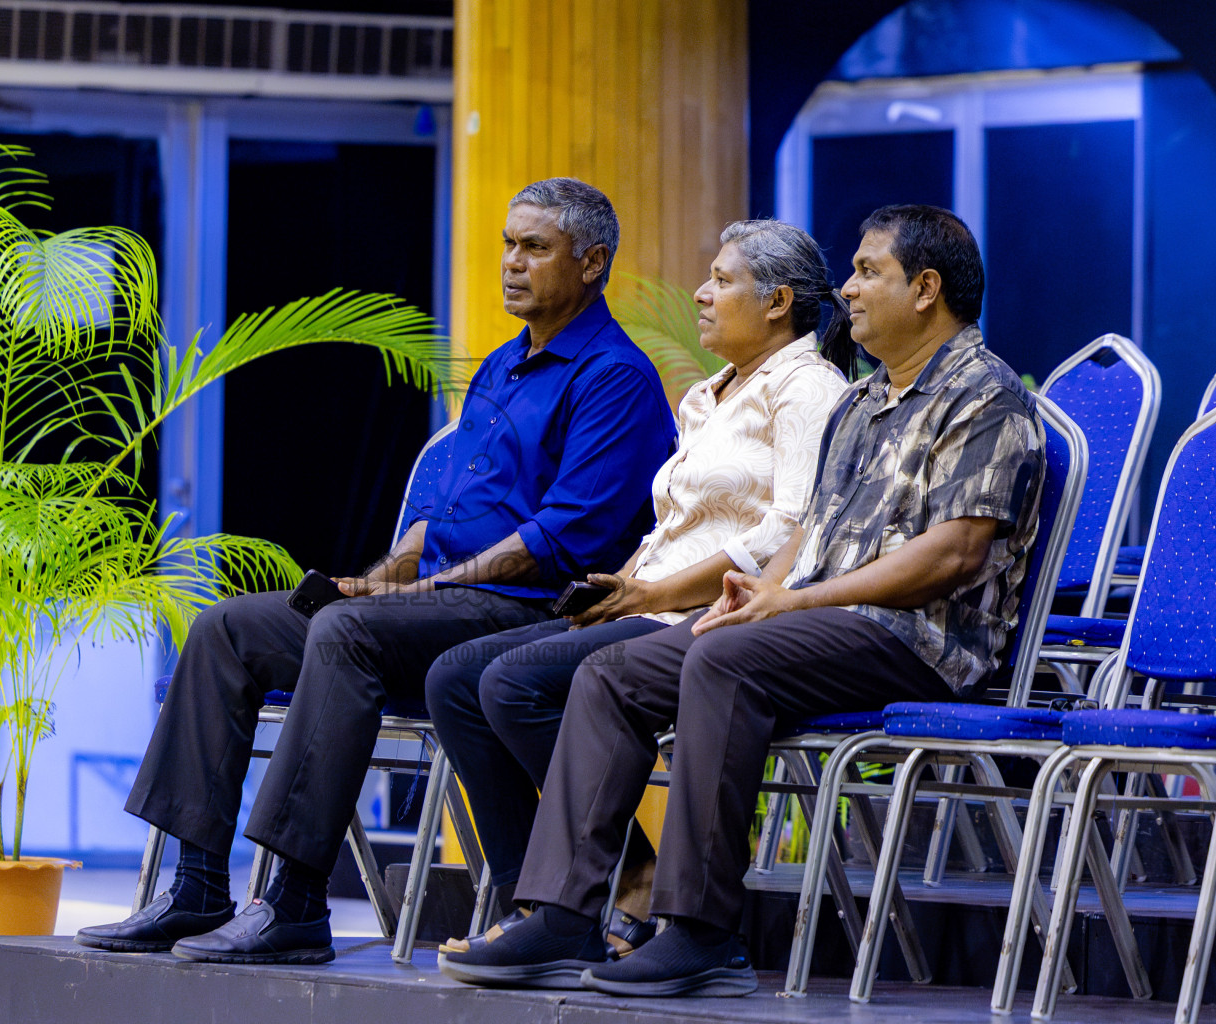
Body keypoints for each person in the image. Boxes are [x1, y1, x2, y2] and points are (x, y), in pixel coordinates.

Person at [439, 204, 1045, 996]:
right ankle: (561, 915)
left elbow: (955, 553)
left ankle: (699, 931)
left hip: (921, 641)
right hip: (823, 622)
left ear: (925, 288)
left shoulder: (985, 394)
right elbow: (811, 528)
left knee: (724, 660)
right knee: (614, 673)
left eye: (868, 272)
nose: (848, 289)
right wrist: (765, 589)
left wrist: (794, 603)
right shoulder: (865, 403)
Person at [74, 177, 675, 965]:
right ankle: (195, 887)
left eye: (535, 247)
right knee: (228, 628)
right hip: (431, 609)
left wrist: (418, 591)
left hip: (524, 615)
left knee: (347, 633)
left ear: (591, 263)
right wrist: (385, 577)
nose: (512, 264)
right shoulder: (500, 367)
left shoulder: (613, 378)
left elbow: (559, 537)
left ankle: (291, 903)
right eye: (507, 244)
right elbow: (436, 514)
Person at [423, 219, 852, 951]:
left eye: (721, 280)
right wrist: (623, 582)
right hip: (649, 600)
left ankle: (585, 899)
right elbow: (672, 528)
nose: (701, 292)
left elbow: (792, 531)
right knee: (457, 678)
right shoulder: (713, 396)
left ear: (778, 302)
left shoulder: (809, 388)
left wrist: (652, 595)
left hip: (706, 613)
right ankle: (542, 897)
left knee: (513, 682)